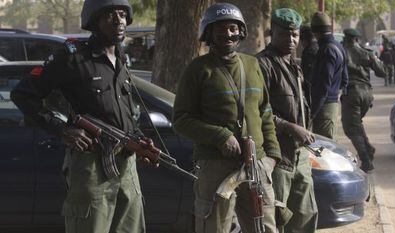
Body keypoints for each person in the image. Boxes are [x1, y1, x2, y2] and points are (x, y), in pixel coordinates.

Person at [11, 0, 147, 232]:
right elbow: (23, 94)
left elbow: (123, 112)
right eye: (110, 15)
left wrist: (140, 139)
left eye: (123, 14)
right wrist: (63, 130)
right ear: (94, 21)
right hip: (91, 165)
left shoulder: (121, 59)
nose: (119, 20)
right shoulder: (73, 56)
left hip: (127, 167)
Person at [172, 3, 281, 233]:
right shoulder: (197, 69)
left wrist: (271, 157)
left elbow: (266, 113)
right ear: (209, 33)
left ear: (241, 31)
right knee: (215, 228)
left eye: (233, 28)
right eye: (220, 29)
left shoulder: (252, 65)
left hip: (257, 164)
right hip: (215, 166)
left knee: (265, 228)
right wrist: (220, 136)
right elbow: (181, 119)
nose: (228, 34)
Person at [256, 8, 318, 233]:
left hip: (300, 155)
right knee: (276, 218)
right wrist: (288, 127)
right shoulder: (262, 65)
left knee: (305, 215)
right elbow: (255, 112)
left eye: (295, 34)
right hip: (277, 156)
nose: (291, 40)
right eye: (285, 34)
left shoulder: (295, 65)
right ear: (273, 32)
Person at [341, 28, 386, 173]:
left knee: (350, 127)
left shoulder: (342, 52)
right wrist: (373, 59)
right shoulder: (367, 53)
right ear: (357, 39)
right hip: (367, 94)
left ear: (346, 38)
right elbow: (382, 72)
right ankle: (368, 148)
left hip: (352, 94)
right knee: (356, 123)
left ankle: (365, 160)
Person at [310, 12, 348, 139]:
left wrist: (312, 112)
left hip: (324, 108)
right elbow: (345, 80)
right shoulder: (339, 46)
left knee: (324, 150)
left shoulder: (326, 50)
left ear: (315, 31)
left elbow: (323, 87)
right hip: (332, 105)